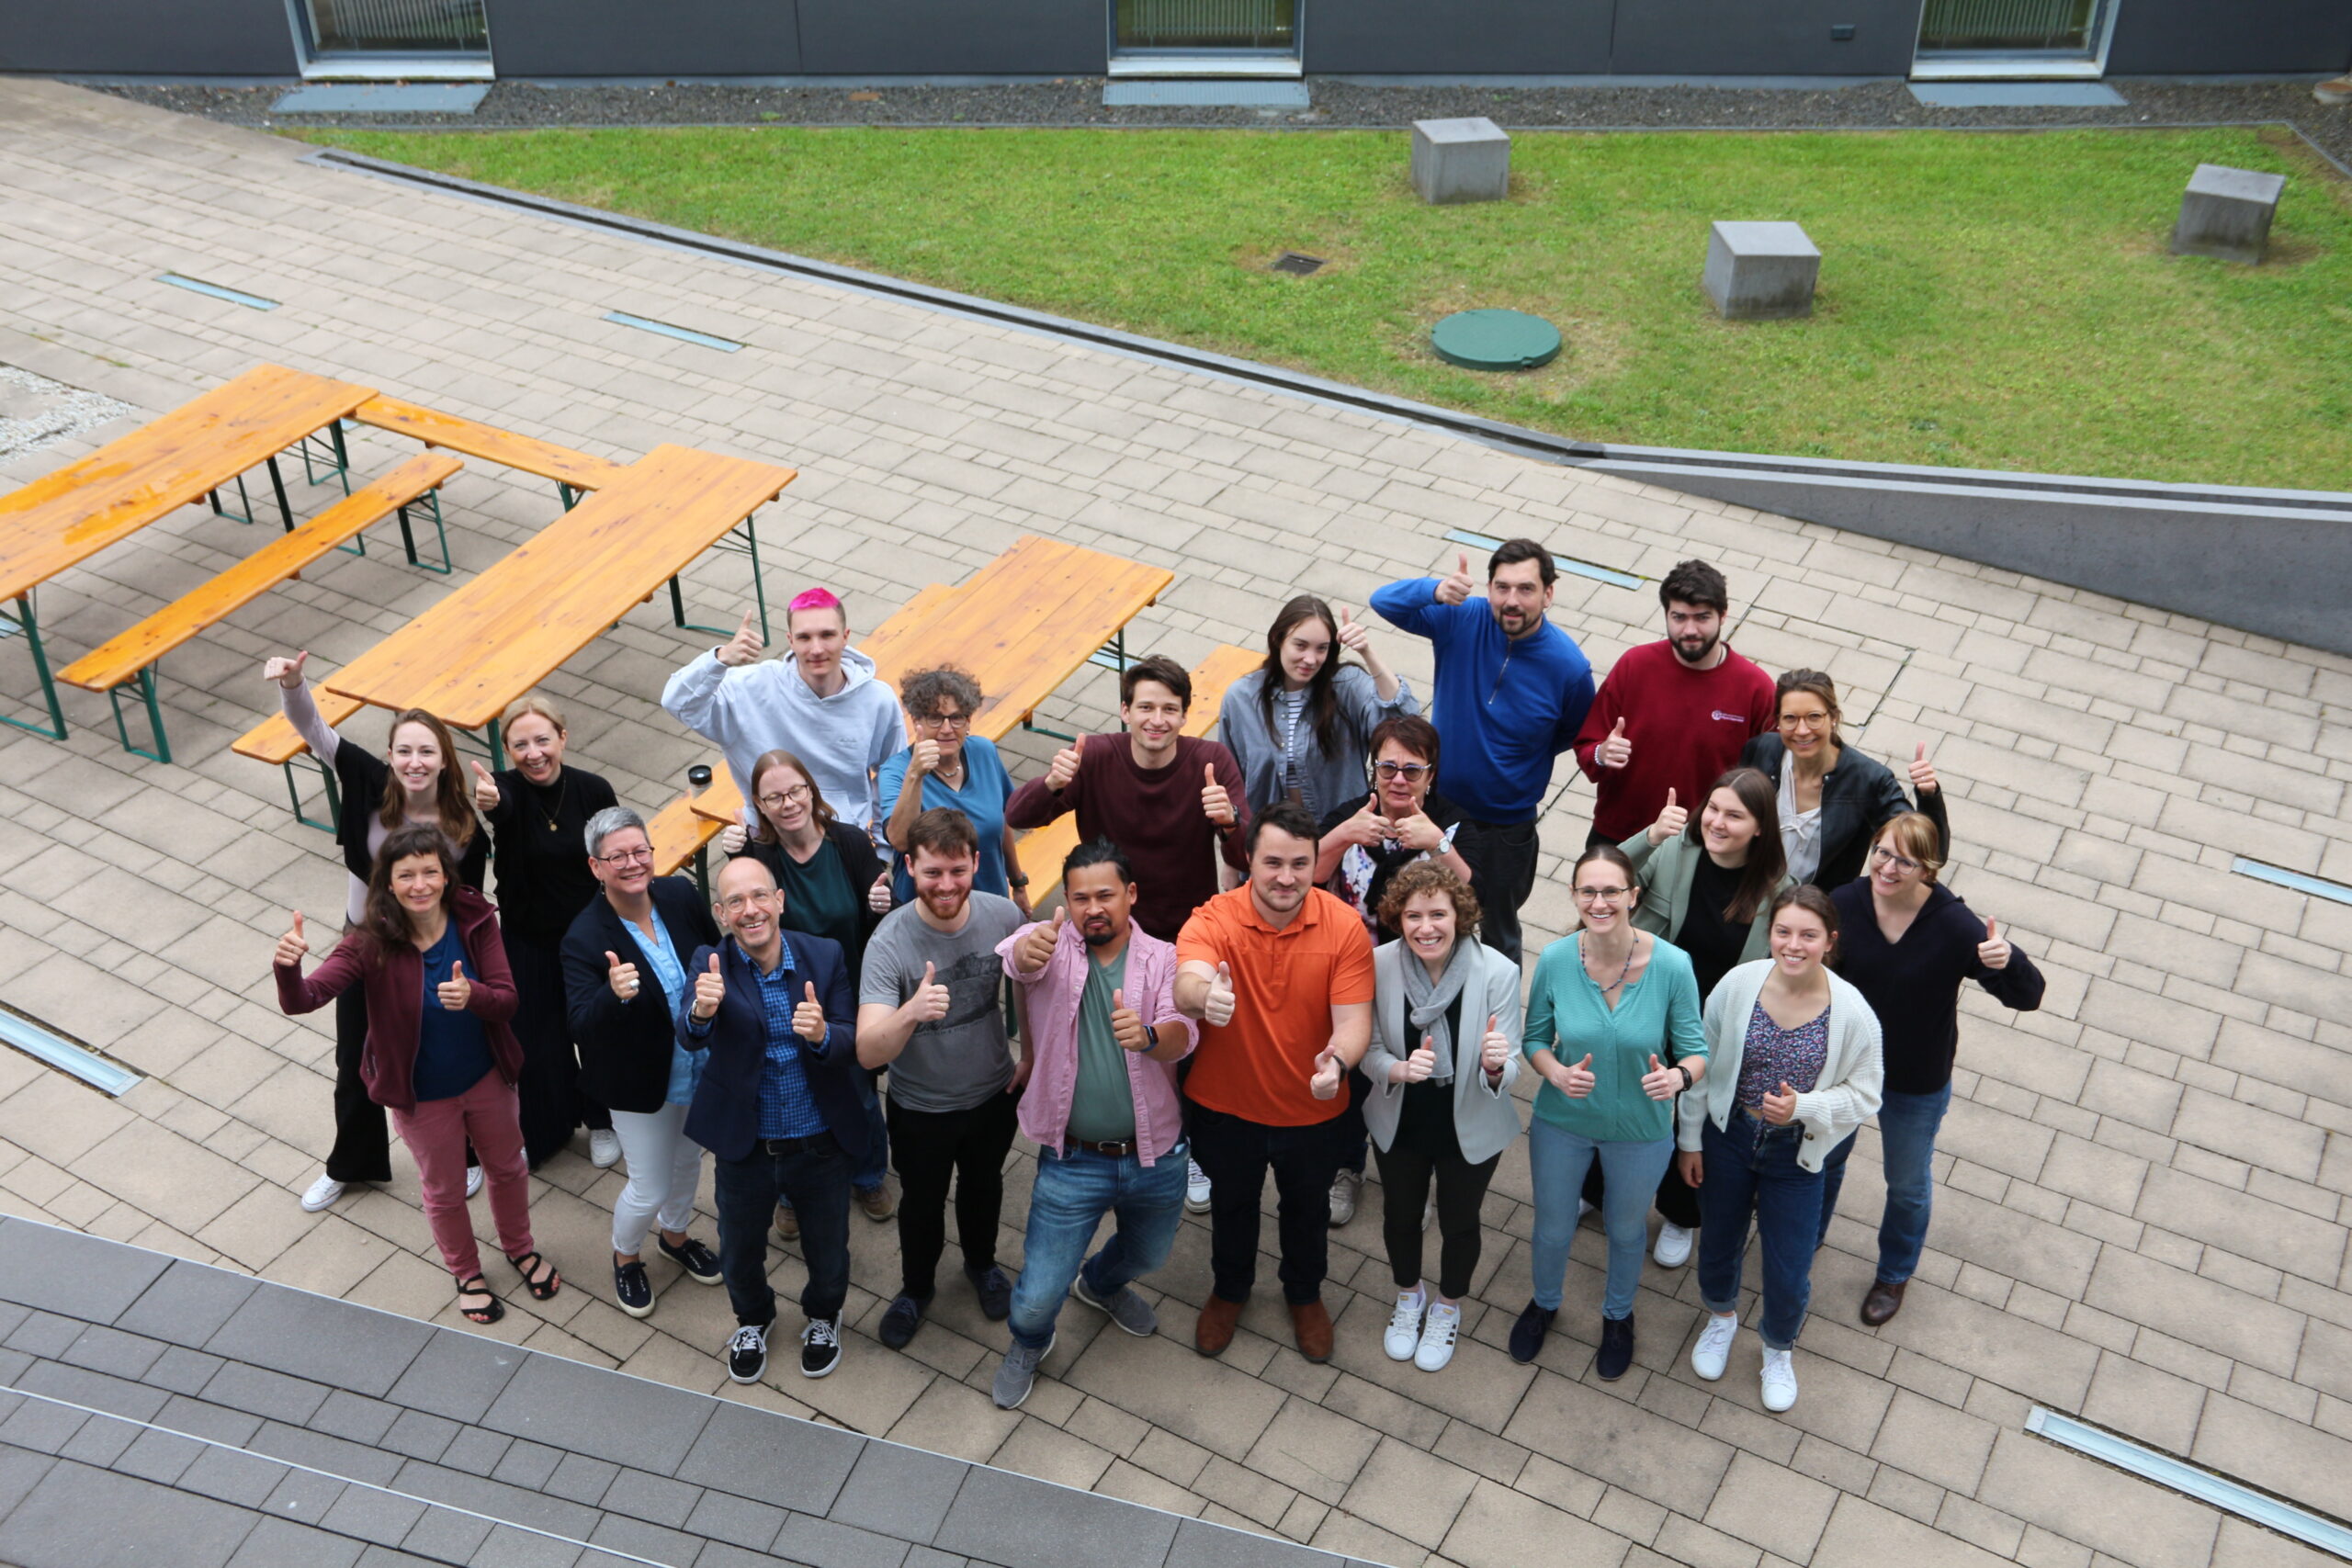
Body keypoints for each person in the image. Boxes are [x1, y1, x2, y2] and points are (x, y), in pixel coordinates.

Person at [272, 826, 557, 1325]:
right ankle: (466, 1272)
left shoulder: (475, 920)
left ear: (447, 877)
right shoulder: (368, 942)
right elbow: (304, 1000)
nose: (420, 884)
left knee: (509, 1168)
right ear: (389, 882)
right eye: (407, 875)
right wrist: (288, 967)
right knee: (444, 1190)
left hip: (487, 1079)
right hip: (422, 1098)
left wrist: (474, 997)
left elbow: (508, 999)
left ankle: (519, 1248)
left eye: (430, 871)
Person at [266, 650, 488, 1214]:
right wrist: (295, 684)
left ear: (444, 760)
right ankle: (352, 1164)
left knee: (440, 1054)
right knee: (353, 1059)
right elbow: (313, 729)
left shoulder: (464, 826)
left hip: (430, 955)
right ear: (390, 756)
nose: (415, 761)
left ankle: (464, 1156)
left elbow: (469, 904)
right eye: (405, 751)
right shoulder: (367, 781)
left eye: (426, 752)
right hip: (364, 947)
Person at [989, 840, 1197, 1410]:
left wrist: (1152, 1038)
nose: (1092, 908)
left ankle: (1100, 1284)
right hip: (1072, 1159)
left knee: (1149, 1256)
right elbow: (1013, 955)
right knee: (1032, 1300)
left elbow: (1185, 1030)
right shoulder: (1050, 946)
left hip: (1156, 1156)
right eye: (1079, 898)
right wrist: (1027, 949)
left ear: (1131, 895)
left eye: (1105, 894)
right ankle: (1030, 1341)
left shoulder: (1166, 959)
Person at [1822, 813, 2044, 1325]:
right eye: (1882, 851)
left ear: (1929, 869)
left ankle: (1894, 1273)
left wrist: (2006, 959)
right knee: (1825, 1159)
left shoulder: (1954, 925)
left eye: (1905, 860)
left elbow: (2027, 997)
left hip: (1915, 1077)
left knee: (1906, 1183)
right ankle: (1806, 1235)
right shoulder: (1845, 902)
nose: (1888, 867)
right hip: (1844, 1067)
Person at [1174, 804, 1374, 1364]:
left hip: (1313, 1110)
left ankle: (1304, 1294)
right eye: (1272, 863)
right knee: (1233, 1205)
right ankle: (1230, 1289)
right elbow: (1187, 979)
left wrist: (1339, 1062)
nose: (1286, 877)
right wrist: (1202, 997)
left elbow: (1355, 1020)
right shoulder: (1213, 918)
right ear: (1248, 861)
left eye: (1299, 864)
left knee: (1306, 1211)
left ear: (1316, 863)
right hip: (1225, 1107)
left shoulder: (1343, 926)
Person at [1680, 886, 1883, 1413]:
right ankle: (1721, 1319)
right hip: (1729, 1137)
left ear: (1830, 941)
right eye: (1783, 932)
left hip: (1797, 1154)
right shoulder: (1740, 983)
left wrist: (1805, 1108)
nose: (1793, 945)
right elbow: (1702, 1059)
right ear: (1770, 933)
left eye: (1808, 935)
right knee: (1719, 1243)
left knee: (1789, 1267)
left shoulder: (1853, 1013)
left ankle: (1777, 1348)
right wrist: (1689, 1139)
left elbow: (1867, 1094)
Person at [1510, 845, 1706, 1378]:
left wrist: (1678, 1077)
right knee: (1552, 1226)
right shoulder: (1555, 960)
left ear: (1633, 896)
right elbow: (1534, 1039)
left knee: (1625, 1230)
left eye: (1611, 891)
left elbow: (1696, 1050)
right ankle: (1544, 1303)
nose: (1600, 901)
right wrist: (1554, 1073)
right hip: (1563, 1123)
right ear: (1575, 896)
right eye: (1588, 891)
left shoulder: (1671, 965)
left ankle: (1618, 1317)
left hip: (1641, 1129)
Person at [678, 855, 867, 1382]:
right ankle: (753, 1319)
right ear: (721, 912)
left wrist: (823, 1035)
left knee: (828, 1248)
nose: (750, 909)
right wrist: (701, 1011)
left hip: (819, 1141)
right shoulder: (709, 962)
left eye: (760, 896)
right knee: (739, 1251)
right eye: (735, 901)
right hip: (747, 1144)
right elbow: (688, 1033)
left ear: (780, 901)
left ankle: (824, 1316)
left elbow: (853, 1037)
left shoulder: (824, 956)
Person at [1602, 766, 1792, 1267]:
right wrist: (1650, 835)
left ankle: (1681, 1213)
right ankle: (1598, 1185)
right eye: (1713, 808)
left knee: (1697, 1116)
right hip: (1651, 1002)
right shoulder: (1674, 848)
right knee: (1622, 1094)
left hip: (1713, 1023)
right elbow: (1606, 880)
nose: (1717, 822)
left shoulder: (1776, 890)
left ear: (1760, 828)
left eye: (1735, 815)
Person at [1370, 540, 1596, 963]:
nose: (1512, 601)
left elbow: (1571, 731)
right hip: (1438, 813)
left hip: (1504, 829)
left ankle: (1497, 1021)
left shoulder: (1569, 667)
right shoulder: (1463, 617)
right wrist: (1434, 590)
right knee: (1423, 919)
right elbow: (1384, 601)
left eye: (1526, 589)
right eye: (1502, 587)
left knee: (1497, 931)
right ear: (1487, 588)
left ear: (1549, 594)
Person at [856, 808, 1028, 1350]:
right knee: (922, 1204)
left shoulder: (1003, 917)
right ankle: (916, 1289)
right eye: (932, 873)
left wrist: (1033, 1056)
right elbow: (866, 1052)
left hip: (991, 1095)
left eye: (958, 870)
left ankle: (982, 1266)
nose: (946, 884)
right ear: (910, 867)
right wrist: (910, 1012)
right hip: (920, 1108)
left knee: (985, 1188)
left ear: (977, 863)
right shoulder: (888, 942)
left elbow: (1029, 986)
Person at [560, 807, 726, 1319]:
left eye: (640, 851)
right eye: (618, 857)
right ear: (596, 867)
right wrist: (614, 995)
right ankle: (625, 1254)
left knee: (687, 1163)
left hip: (698, 1067)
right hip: (639, 1082)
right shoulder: (584, 938)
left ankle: (674, 1238)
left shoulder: (678, 895)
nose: (633, 864)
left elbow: (716, 956)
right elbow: (579, 1025)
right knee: (649, 1182)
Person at [1312, 713, 1475, 1226]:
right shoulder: (1349, 814)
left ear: (1431, 775)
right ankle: (1346, 1166)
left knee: (1418, 1075)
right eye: (1387, 768)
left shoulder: (1451, 822)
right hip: (1353, 970)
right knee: (1353, 1072)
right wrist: (1340, 835)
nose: (1398, 780)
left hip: (1424, 976)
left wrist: (1436, 844)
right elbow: (1305, 882)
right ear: (1372, 770)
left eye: (1412, 769)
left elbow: (1477, 894)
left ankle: (1415, 1174)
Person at [722, 749, 897, 1228]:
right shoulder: (759, 857)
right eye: (773, 797)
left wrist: (883, 902)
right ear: (759, 804)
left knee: (859, 1091)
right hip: (782, 996)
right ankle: (790, 1194)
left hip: (848, 994)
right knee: (786, 1094)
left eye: (795, 790)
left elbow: (879, 912)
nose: (787, 803)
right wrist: (735, 855)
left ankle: (867, 1175)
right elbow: (741, 918)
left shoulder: (848, 843)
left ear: (810, 790)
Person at [1361, 864, 1522, 1373]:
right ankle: (1409, 1296)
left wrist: (1496, 1066)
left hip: (1470, 1124)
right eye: (1413, 915)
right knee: (1400, 1216)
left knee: (1459, 1222)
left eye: (1438, 913)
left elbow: (1511, 1063)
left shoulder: (1498, 972)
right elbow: (1368, 1047)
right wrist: (1398, 1068)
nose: (1425, 927)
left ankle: (1448, 1306)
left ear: (1460, 915)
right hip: (1401, 1118)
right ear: (1397, 919)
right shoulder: (1379, 964)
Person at [467, 694, 621, 1169]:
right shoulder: (504, 790)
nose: (533, 753)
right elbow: (502, 807)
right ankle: (551, 1126)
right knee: (538, 1039)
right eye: (520, 744)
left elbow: (614, 853)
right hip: (527, 936)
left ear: (562, 738)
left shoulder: (593, 790)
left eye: (542, 740)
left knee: (594, 1031)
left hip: (586, 937)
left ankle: (602, 1119)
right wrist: (491, 802)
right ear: (507, 751)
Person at [1005, 655, 1250, 944]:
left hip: (1189, 931)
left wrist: (1229, 821)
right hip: (1109, 929)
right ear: (1125, 711)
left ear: (1184, 716)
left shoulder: (1212, 761)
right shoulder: (1093, 756)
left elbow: (1246, 856)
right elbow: (1018, 816)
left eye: (1169, 709)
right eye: (1146, 707)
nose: (1157, 720)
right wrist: (1051, 784)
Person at [660, 587, 905, 830]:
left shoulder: (877, 700)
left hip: (845, 841)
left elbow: (893, 777)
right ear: (790, 640)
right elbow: (677, 701)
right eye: (804, 638)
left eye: (827, 635)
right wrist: (720, 658)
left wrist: (881, 849)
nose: (817, 649)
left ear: (845, 636)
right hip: (770, 841)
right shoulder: (750, 688)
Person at [1573, 559, 1776, 850]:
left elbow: (1767, 783)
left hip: (1703, 846)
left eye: (1702, 618)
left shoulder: (1756, 688)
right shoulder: (1634, 666)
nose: (1689, 629)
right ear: (1666, 615)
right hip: (1621, 835)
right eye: (1679, 617)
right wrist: (1602, 754)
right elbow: (1587, 746)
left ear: (1723, 615)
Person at [1740, 670, 1948, 889]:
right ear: (1778, 721)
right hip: (1745, 890)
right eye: (1790, 718)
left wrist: (1928, 797)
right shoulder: (1762, 749)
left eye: (1814, 717)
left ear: (1834, 718)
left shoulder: (1869, 781)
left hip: (1809, 910)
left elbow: (1930, 855)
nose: (1802, 730)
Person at [1219, 594, 1415, 820]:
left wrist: (1367, 653)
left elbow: (1404, 725)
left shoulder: (1347, 685)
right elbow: (1229, 778)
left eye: (1321, 648)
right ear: (1277, 639)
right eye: (1300, 646)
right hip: (1272, 839)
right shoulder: (1241, 697)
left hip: (1342, 833)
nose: (1310, 659)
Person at [877, 666, 1028, 913]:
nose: (947, 729)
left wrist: (1018, 883)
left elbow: (1002, 822)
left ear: (968, 721)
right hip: (927, 913)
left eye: (957, 718)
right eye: (935, 718)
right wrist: (915, 775)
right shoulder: (896, 771)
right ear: (917, 721)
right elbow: (900, 840)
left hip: (990, 906)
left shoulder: (984, 752)